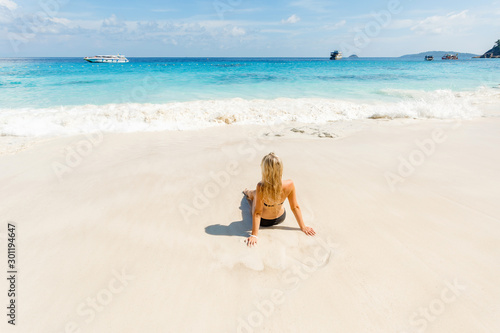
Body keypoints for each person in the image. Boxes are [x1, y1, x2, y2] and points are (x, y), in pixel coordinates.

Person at [243, 152, 316, 247]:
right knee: (264, 195)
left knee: (254, 194)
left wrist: (254, 235)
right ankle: (249, 193)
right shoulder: (290, 184)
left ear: (264, 169)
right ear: (280, 168)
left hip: (263, 221)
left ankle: (247, 192)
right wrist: (303, 227)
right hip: (280, 218)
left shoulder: (261, 186)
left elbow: (257, 213)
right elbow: (295, 207)